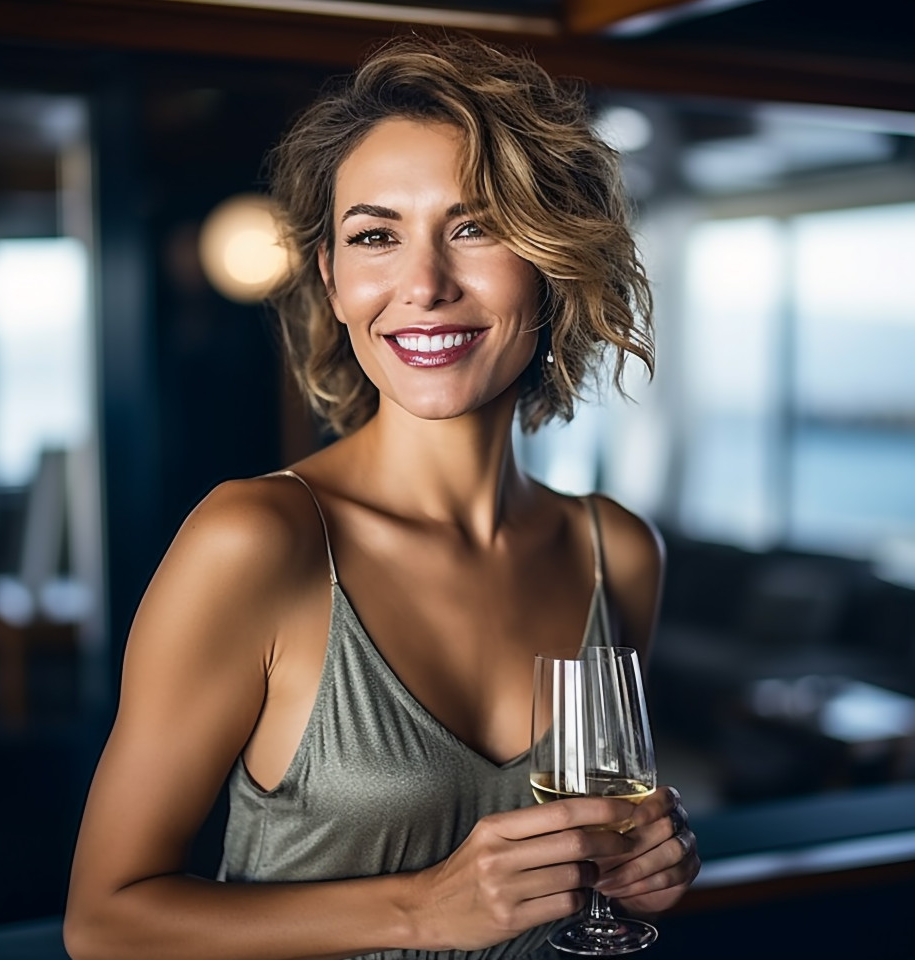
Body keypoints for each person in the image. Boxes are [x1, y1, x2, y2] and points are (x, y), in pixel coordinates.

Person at [64, 32, 699, 960]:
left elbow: (590, 850)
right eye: (375, 236)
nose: (425, 285)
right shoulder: (257, 540)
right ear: (332, 278)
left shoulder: (619, 553)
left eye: (475, 227)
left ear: (555, 259)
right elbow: (105, 923)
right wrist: (421, 910)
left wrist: (644, 864)